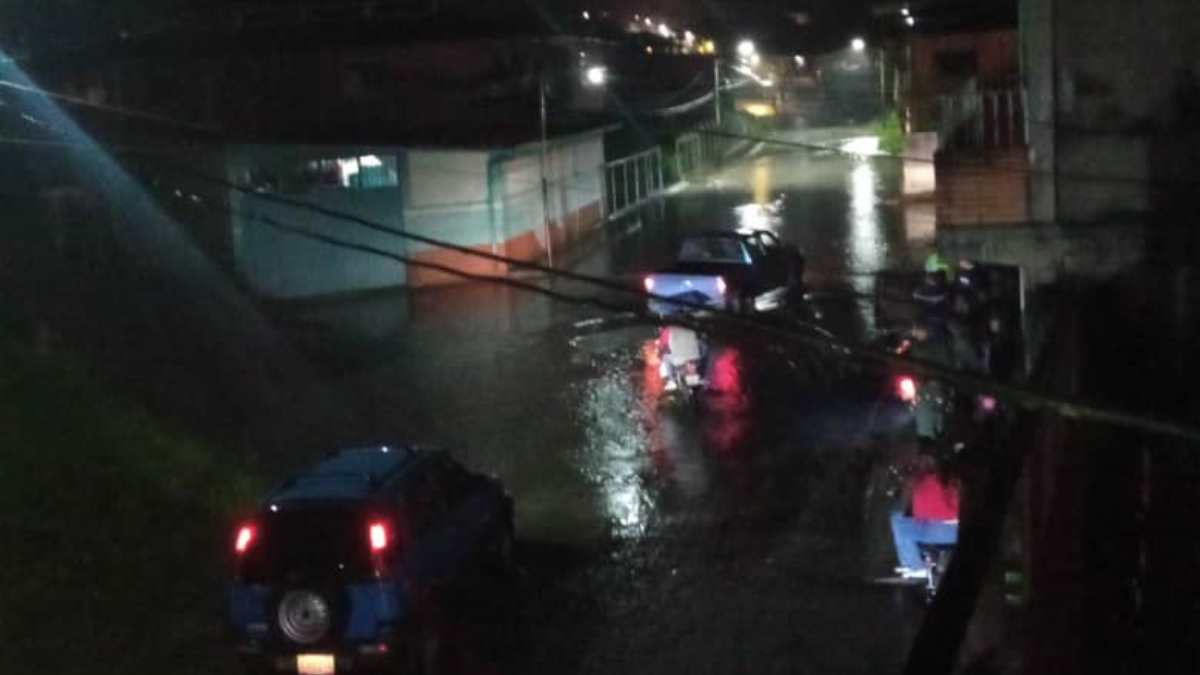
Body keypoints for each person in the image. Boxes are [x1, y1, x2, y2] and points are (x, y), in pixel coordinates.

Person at [890, 454, 960, 578]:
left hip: (941, 531)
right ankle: (922, 561)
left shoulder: (922, 483)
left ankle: (915, 566)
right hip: (956, 529)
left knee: (898, 521)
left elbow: (920, 515)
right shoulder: (951, 479)